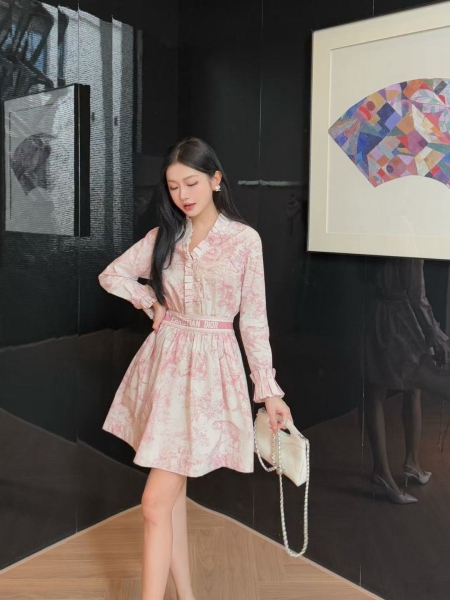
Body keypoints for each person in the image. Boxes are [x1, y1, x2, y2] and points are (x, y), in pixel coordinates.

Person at [98, 136, 293, 600]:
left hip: (211, 374)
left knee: (155, 503)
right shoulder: (165, 236)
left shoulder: (244, 241)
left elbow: (254, 321)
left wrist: (268, 391)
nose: (182, 195)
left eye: (191, 183)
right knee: (165, 503)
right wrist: (150, 303)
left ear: (215, 180)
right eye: (173, 187)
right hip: (165, 366)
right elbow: (112, 274)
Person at [363, 256, 450, 505]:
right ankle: (384, 471)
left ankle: (411, 463)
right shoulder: (410, 239)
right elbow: (417, 295)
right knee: (378, 391)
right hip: (401, 318)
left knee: (403, 389)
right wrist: (435, 335)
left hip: (388, 314)